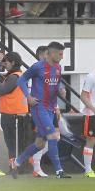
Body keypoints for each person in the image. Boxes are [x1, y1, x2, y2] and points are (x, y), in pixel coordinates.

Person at [10, 42, 71, 179]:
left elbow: (58, 82)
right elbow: (21, 80)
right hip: (39, 107)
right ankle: (59, 171)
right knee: (53, 135)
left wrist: (62, 90)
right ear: (51, 53)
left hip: (50, 108)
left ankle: (17, 162)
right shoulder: (38, 67)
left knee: (39, 144)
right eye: (60, 54)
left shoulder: (57, 67)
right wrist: (28, 96)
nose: (61, 57)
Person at [0, 52, 29, 175]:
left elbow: (1, 90)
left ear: (13, 63)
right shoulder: (19, 75)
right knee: (16, 143)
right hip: (18, 114)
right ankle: (16, 167)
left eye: (6, 62)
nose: (4, 64)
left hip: (12, 114)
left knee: (12, 144)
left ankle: (15, 168)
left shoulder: (14, 77)